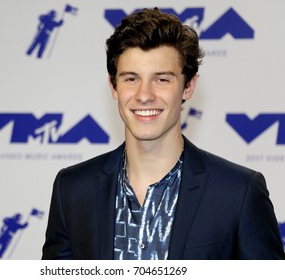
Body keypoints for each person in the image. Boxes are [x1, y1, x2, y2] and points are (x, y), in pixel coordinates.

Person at [42, 8, 285, 260]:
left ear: (188, 86)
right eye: (131, 78)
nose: (144, 95)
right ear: (114, 86)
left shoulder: (239, 192)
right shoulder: (72, 188)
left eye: (162, 80)